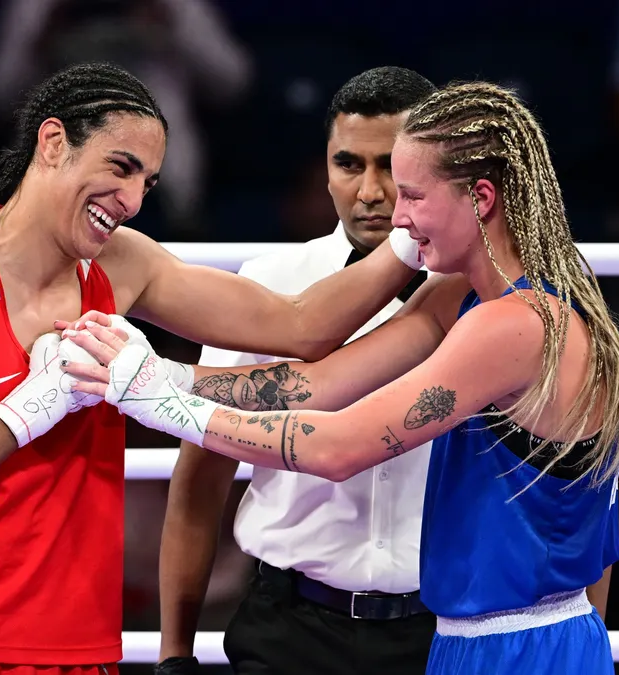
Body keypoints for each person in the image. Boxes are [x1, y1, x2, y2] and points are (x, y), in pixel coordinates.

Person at [0, 61, 424, 675]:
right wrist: (22, 413)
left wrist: (418, 224)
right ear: (53, 143)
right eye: (121, 167)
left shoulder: (122, 266)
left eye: (147, 184)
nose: (130, 202)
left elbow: (301, 325)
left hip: (81, 647)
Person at [64, 81, 619, 674]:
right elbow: (317, 384)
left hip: (518, 644)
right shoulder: (467, 298)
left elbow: (337, 447)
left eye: (412, 193)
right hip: (458, 636)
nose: (397, 217)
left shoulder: (514, 325)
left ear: (481, 198)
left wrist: (160, 403)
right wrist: (160, 376)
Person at [152, 66, 446, 675]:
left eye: (391, 166)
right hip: (289, 629)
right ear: (324, 168)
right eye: (349, 164)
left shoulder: (481, 295)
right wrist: (174, 651)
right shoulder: (269, 284)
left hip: (443, 628)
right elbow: (201, 478)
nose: (370, 191)